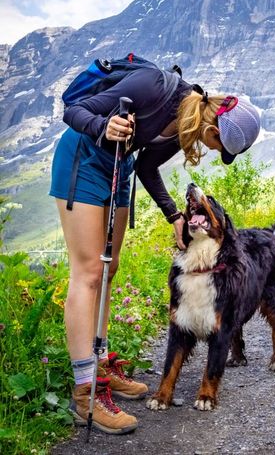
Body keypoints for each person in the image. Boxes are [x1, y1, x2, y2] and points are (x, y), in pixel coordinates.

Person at [49, 64, 261, 434]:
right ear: (213, 131)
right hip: (83, 160)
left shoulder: (182, 126)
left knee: (108, 270)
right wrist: (103, 126)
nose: (212, 152)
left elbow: (147, 166)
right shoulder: (154, 87)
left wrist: (174, 216)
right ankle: (86, 392)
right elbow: (73, 110)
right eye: (218, 148)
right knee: (88, 274)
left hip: (119, 168)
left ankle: (100, 366)